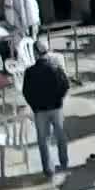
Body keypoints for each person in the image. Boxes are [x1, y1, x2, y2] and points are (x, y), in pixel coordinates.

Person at [24, 36, 72, 177]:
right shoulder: (55, 68)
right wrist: (59, 100)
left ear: (36, 53)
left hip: (40, 110)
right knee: (60, 136)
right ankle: (64, 163)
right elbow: (65, 86)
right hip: (56, 107)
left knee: (43, 140)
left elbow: (27, 92)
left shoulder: (30, 72)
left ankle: (48, 168)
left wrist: (34, 106)